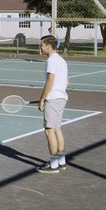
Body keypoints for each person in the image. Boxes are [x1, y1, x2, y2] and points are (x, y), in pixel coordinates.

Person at [36, 34, 69, 174]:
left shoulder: (52, 61)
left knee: (49, 131)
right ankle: (61, 161)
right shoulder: (61, 60)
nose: (40, 47)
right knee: (56, 129)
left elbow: (50, 81)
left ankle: (53, 164)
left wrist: (42, 99)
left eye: (41, 45)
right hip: (61, 98)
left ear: (48, 46)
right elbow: (67, 81)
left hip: (53, 99)